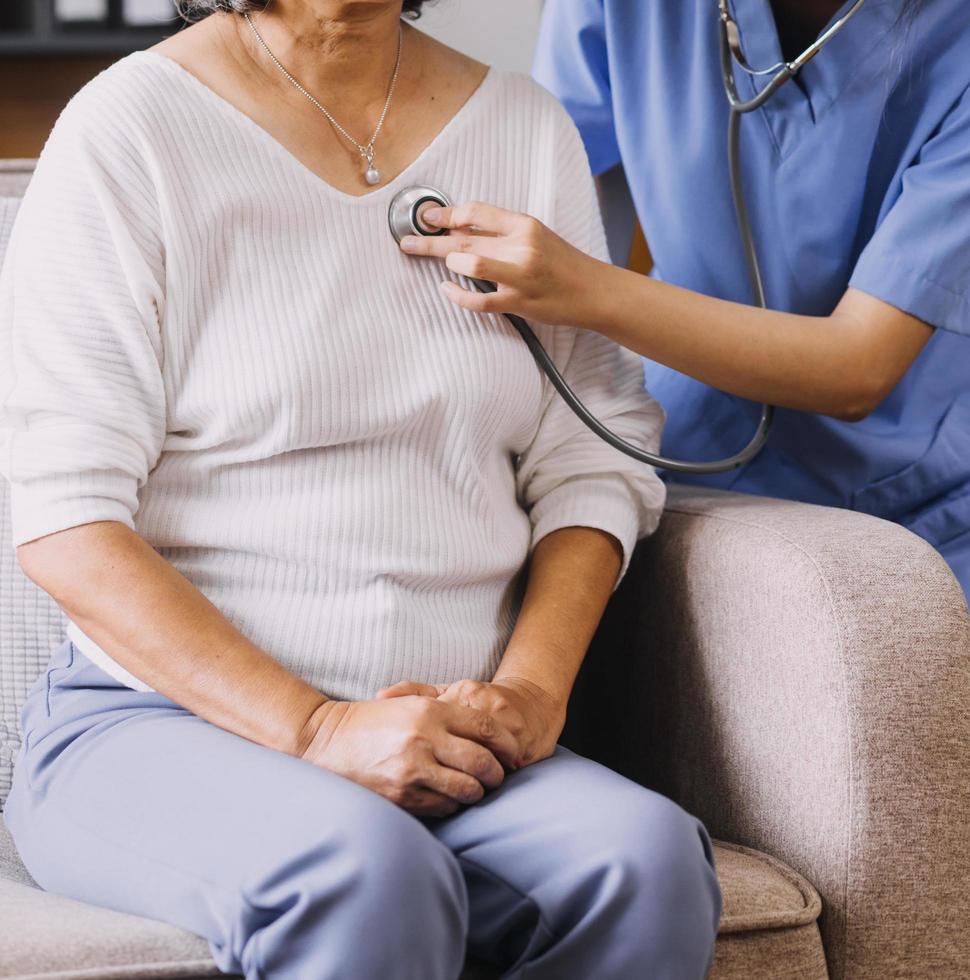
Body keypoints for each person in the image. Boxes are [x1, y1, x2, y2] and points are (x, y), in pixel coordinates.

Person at [0, 1, 722, 978]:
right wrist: (318, 727)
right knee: (367, 869)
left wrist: (530, 690)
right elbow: (64, 516)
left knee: (643, 863)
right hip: (157, 723)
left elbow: (592, 459)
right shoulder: (128, 128)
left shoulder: (520, 126)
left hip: (448, 721)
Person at [401, 0, 970, 601]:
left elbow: (858, 366)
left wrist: (582, 286)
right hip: (666, 455)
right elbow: (561, 199)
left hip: (897, 501)